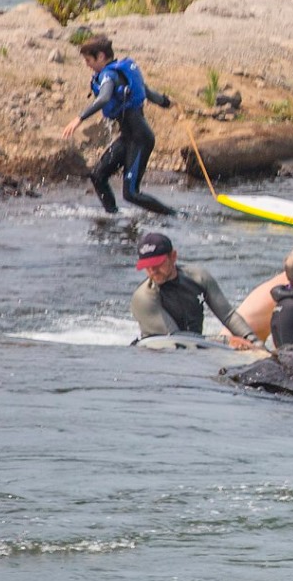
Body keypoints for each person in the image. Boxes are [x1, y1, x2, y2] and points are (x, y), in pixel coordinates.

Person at [60, 34, 177, 215]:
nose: (87, 64)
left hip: (140, 139)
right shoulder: (120, 73)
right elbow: (147, 92)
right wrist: (166, 102)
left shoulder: (110, 75)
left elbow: (104, 97)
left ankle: (175, 215)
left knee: (131, 193)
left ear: (101, 56)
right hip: (128, 138)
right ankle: (112, 217)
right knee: (98, 176)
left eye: (88, 59)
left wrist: (79, 118)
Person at [131, 232, 257, 347]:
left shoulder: (198, 277)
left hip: (195, 347)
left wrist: (254, 341)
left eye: (158, 264)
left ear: (173, 256)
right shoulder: (143, 297)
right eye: (147, 266)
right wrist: (226, 341)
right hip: (162, 352)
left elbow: (228, 316)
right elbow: (175, 339)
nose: (153, 271)